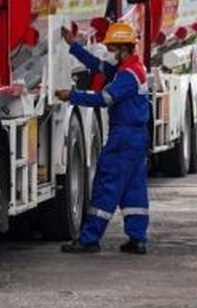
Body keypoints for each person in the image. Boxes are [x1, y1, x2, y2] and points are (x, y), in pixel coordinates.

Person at [55, 21, 151, 255]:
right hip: (135, 137)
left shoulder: (128, 75)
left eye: (113, 49)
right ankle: (137, 239)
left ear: (124, 49)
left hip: (124, 137)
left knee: (107, 184)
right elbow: (98, 67)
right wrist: (74, 46)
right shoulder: (131, 68)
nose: (109, 53)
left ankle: (89, 239)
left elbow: (104, 99)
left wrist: (72, 96)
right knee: (133, 189)